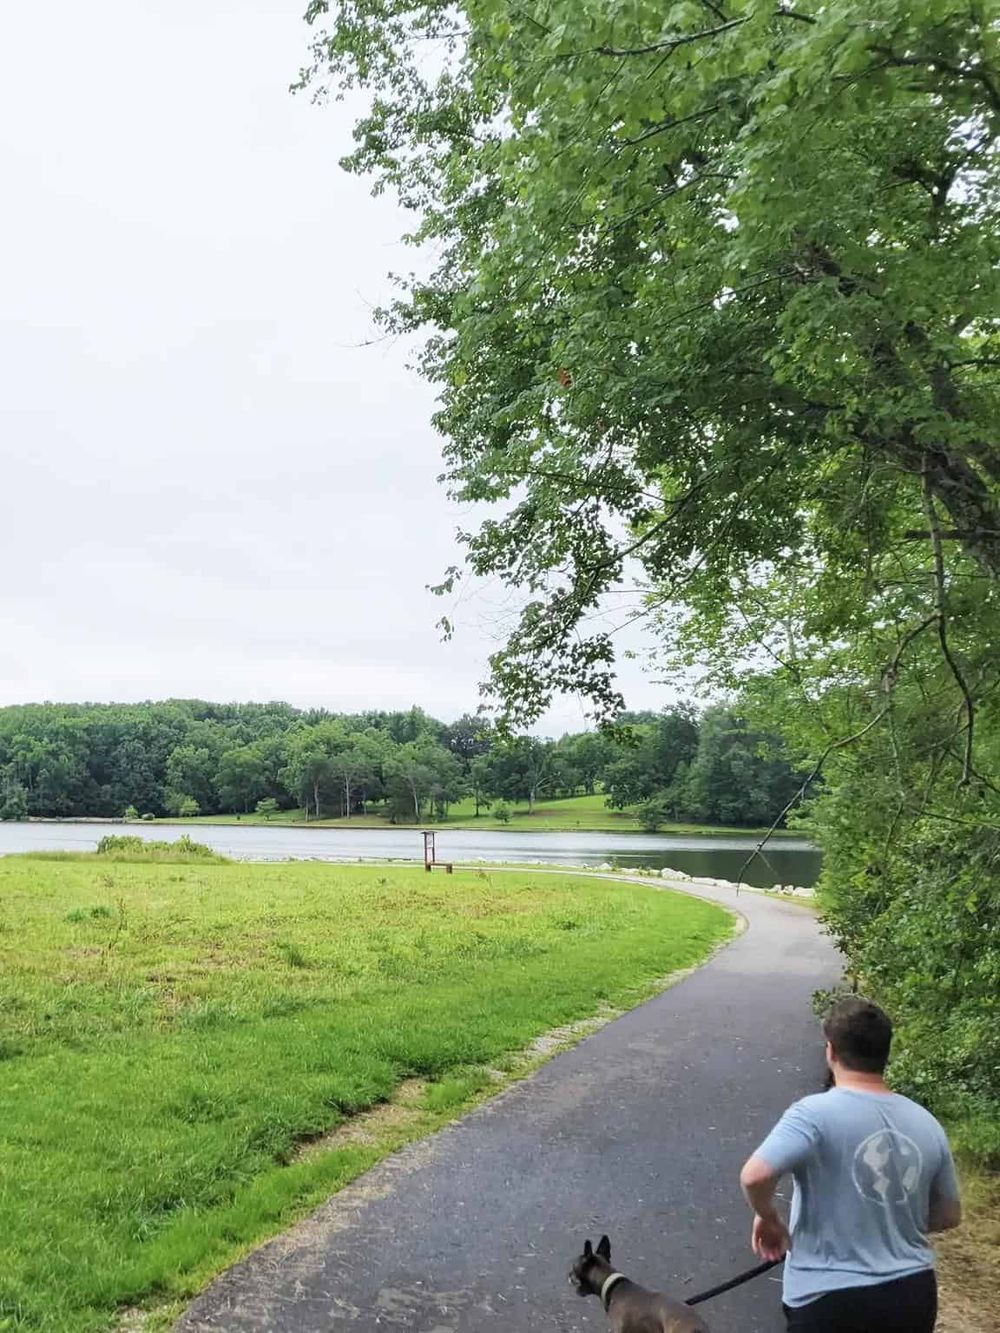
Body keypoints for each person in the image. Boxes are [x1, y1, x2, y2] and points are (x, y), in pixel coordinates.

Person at [739, 997, 961, 1331]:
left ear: (830, 1051)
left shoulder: (812, 1114)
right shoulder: (926, 1122)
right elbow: (948, 1215)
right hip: (912, 1294)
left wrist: (768, 1218)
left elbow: (755, 1176)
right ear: (885, 1053)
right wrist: (888, 1222)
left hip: (829, 1297)